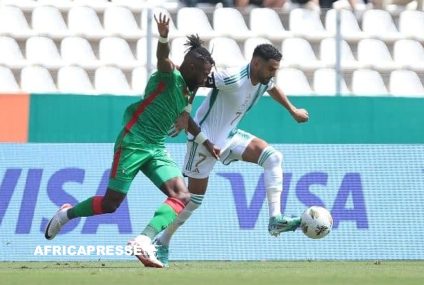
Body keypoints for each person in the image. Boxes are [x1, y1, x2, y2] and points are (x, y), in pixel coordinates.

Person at [44, 13, 218, 268]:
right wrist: (162, 36)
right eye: (204, 73)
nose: (206, 79)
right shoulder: (169, 76)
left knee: (182, 194)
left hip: (156, 148)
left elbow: (186, 115)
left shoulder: (190, 90)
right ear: (191, 67)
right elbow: (162, 58)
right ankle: (66, 214)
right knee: (110, 204)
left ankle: (144, 240)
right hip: (133, 143)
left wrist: (204, 140)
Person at [153, 44, 310, 267]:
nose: (273, 73)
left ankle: (275, 219)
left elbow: (272, 87)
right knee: (193, 200)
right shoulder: (232, 78)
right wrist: (184, 114)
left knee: (273, 158)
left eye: (276, 69)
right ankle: (162, 240)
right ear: (256, 64)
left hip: (230, 136)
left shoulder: (264, 79)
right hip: (203, 141)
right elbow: (192, 80)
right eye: (271, 68)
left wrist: (292, 110)